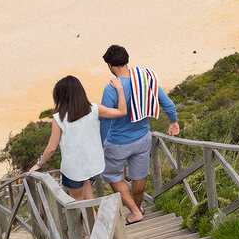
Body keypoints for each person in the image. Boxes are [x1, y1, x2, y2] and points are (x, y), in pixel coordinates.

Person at [100, 44, 179, 224]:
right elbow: (168, 104)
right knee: (139, 176)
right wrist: (173, 122)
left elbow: (105, 119)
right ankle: (137, 209)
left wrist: (100, 142)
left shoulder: (111, 89)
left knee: (112, 176)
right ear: (127, 61)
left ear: (110, 66)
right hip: (143, 138)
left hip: (118, 142)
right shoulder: (145, 80)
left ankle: (134, 211)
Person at [28, 75, 129, 203]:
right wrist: (119, 89)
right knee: (87, 192)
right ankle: (93, 218)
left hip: (73, 169)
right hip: (92, 164)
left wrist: (39, 164)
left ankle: (86, 223)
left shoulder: (59, 118)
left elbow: (52, 148)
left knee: (77, 202)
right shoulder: (94, 109)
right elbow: (122, 112)